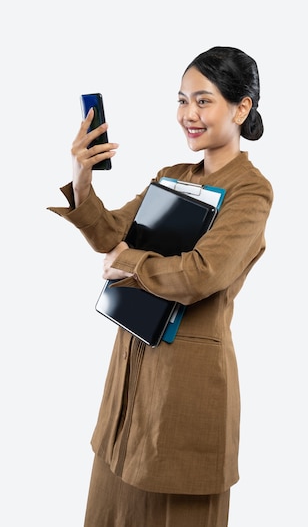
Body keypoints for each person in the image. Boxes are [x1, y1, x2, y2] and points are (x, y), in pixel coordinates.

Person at [48, 46, 273, 527]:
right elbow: (111, 233)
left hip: (187, 385)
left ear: (241, 107)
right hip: (131, 375)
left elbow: (203, 273)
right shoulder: (172, 177)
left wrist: (129, 263)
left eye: (203, 101)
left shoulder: (251, 192)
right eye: (181, 100)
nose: (188, 114)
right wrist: (82, 180)